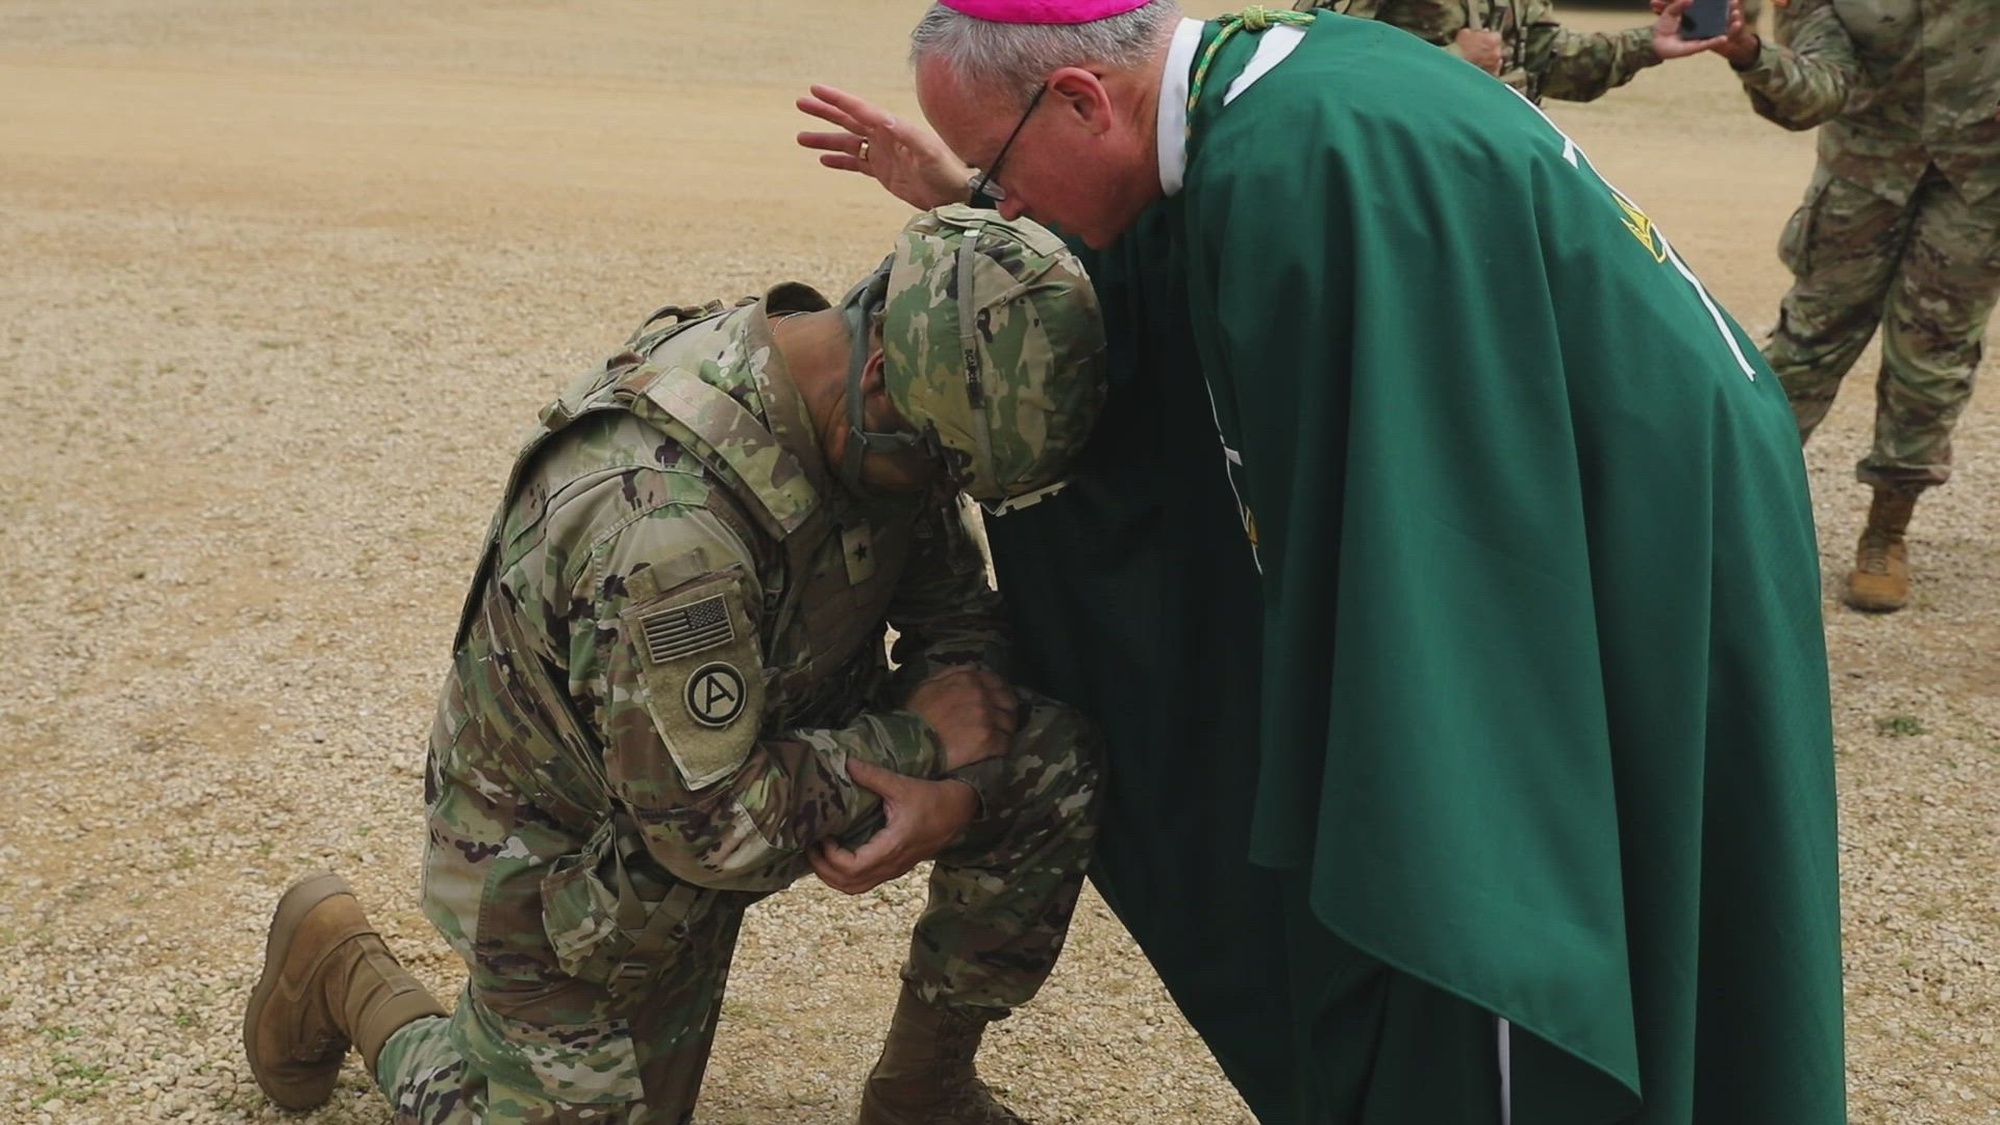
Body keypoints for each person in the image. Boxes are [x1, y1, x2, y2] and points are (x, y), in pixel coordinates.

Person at [802, 0, 1846, 1120]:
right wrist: (964, 197)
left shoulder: (1297, 175)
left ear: (1079, 98)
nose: (1004, 204)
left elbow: (1436, 554)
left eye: (996, 166)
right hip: (1650, 494)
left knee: (1494, 875)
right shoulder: (1275, 86)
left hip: (1621, 536)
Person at [241, 207, 1110, 1125]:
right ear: (883, 374)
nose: (944, 492)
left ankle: (921, 1093)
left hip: (739, 769)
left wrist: (962, 788)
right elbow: (710, 828)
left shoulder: (878, 408)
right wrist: (921, 742)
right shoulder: (669, 525)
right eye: (942, 467)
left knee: (1049, 759)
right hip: (578, 878)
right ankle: (346, 971)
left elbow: (958, 619)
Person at [1666, 0, 2000, 612]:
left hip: (1978, 186)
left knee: (1934, 362)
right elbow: (1819, 91)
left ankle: (1886, 533)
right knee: (1805, 348)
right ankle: (1725, 519)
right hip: (1863, 176)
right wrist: (1748, 54)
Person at [1289, 0, 1729, 105]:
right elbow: (1309, 60)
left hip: (1492, 174)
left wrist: (1648, 43)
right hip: (1401, 181)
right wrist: (1451, 62)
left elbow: (1546, 61)